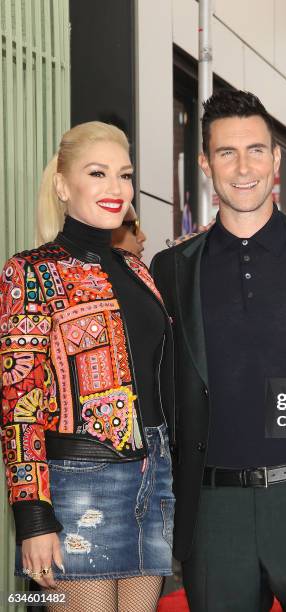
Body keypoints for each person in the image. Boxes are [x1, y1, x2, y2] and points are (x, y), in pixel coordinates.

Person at [151, 90, 286, 611]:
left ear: (275, 159)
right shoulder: (171, 269)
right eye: (226, 153)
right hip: (214, 512)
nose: (242, 167)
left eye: (255, 150)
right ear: (205, 163)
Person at [0, 121, 175, 612]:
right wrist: (34, 517)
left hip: (153, 476)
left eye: (124, 175)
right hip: (78, 482)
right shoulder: (31, 271)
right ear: (62, 184)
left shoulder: (139, 271)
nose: (115, 188)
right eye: (97, 173)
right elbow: (18, 403)